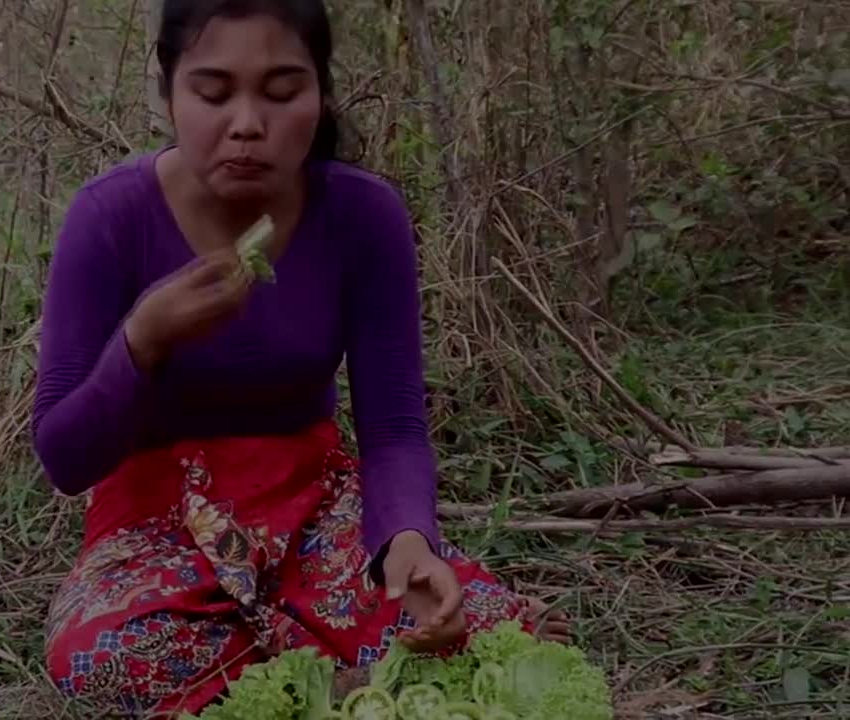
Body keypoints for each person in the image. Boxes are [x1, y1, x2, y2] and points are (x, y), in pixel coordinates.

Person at [32, 0, 569, 715]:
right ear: (167, 91)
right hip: (154, 524)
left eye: (283, 91)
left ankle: (299, 678)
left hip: (311, 506)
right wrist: (142, 340)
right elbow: (65, 458)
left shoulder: (361, 216)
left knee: (467, 619)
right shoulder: (109, 219)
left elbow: (395, 429)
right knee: (101, 654)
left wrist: (407, 540)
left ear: (320, 93)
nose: (248, 123)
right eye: (213, 92)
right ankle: (324, 679)